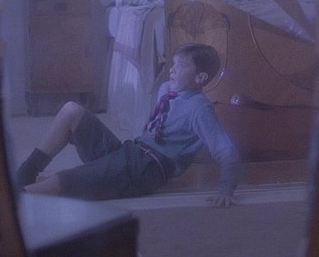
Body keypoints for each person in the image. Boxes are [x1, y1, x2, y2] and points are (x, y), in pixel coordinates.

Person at [16, 43, 241, 207]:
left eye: (180, 67)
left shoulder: (200, 108)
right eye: (173, 64)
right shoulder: (167, 90)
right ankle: (26, 173)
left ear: (200, 78)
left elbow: (226, 150)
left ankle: (16, 198)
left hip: (145, 169)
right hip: (129, 151)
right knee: (71, 110)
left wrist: (226, 188)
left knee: (70, 179)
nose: (172, 70)